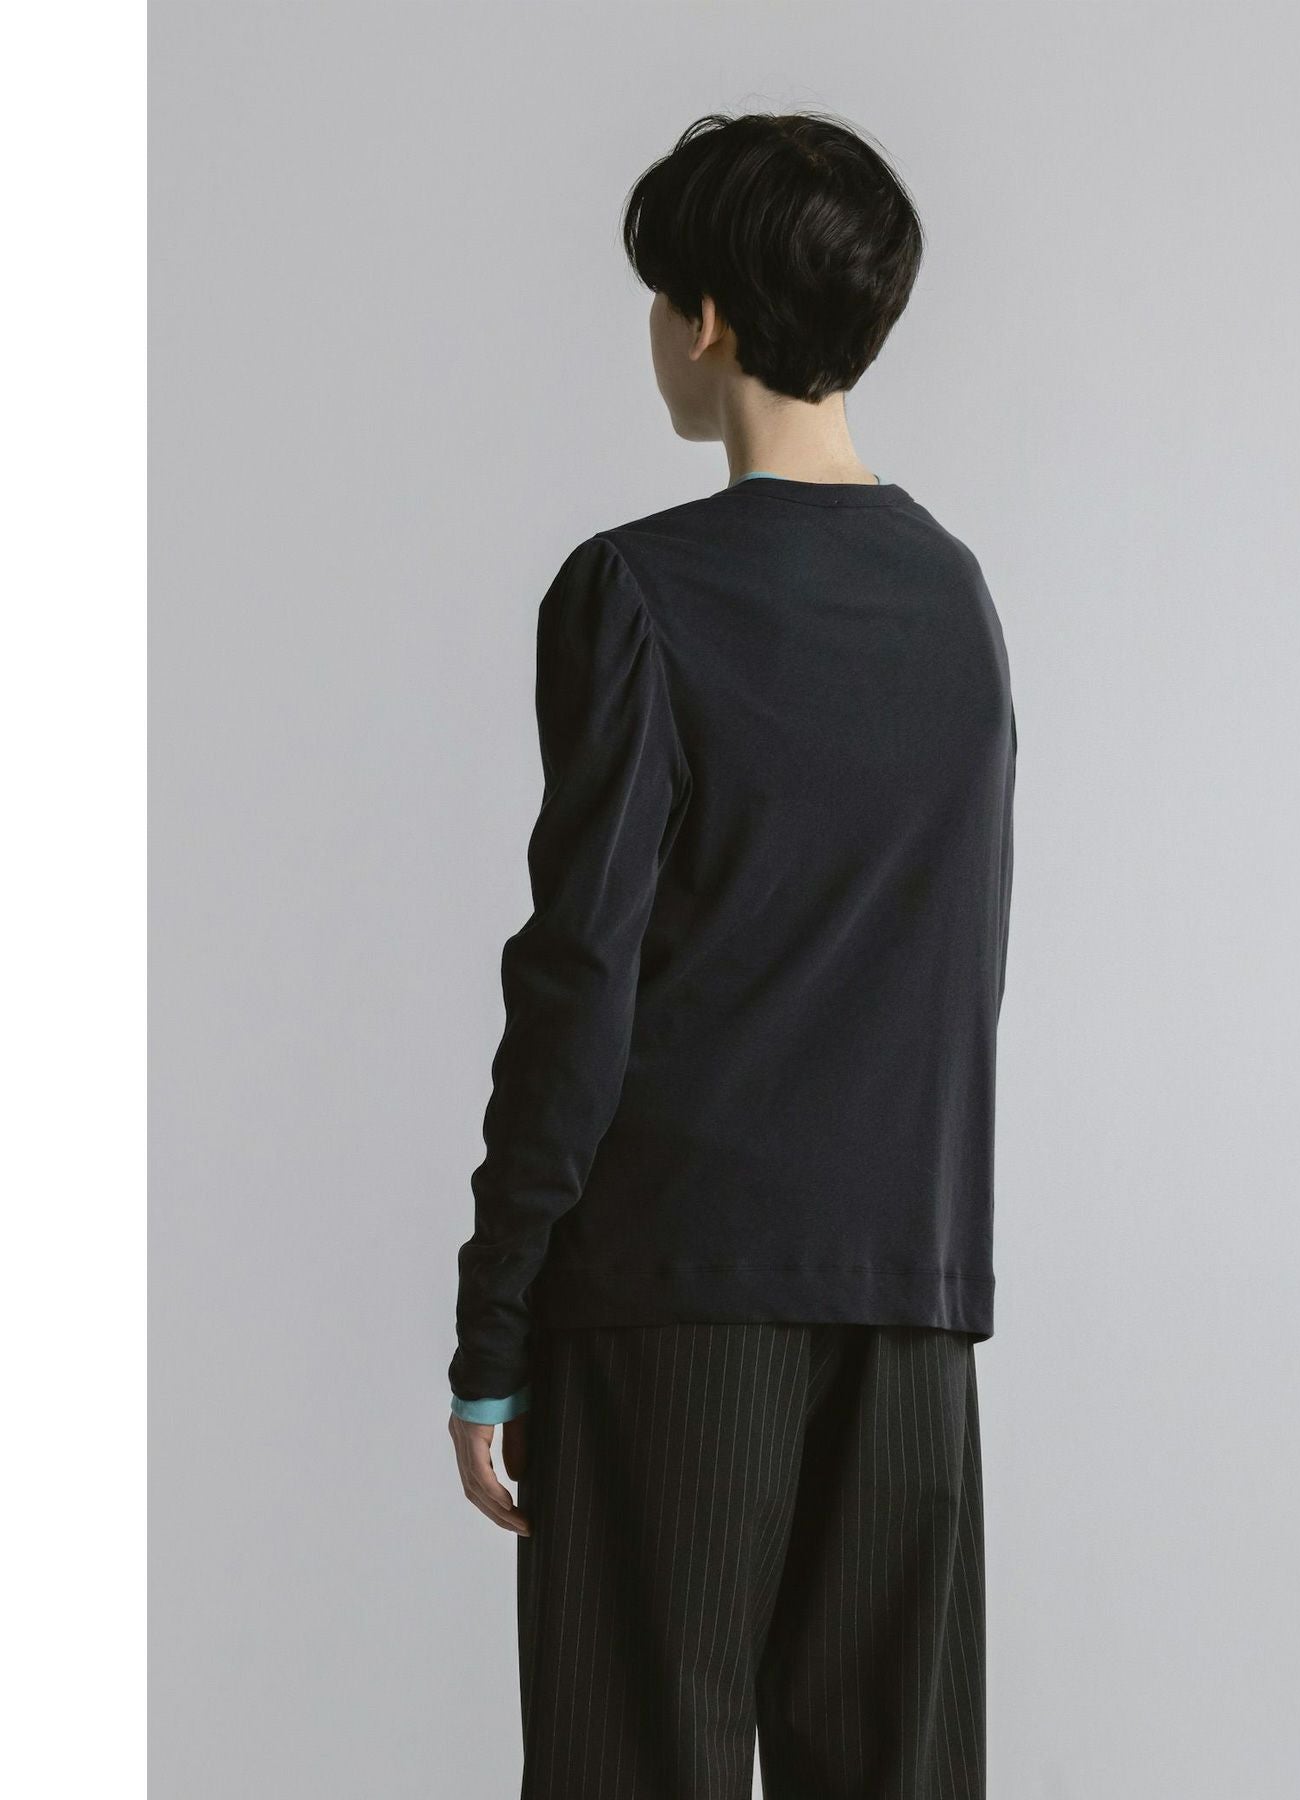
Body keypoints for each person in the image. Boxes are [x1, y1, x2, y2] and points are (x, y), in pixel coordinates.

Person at [447, 108, 1017, 1799]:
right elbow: (962, 970)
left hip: (669, 1302)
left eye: (658, 297)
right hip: (910, 1303)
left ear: (705, 320)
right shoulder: (957, 599)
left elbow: (579, 977)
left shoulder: (638, 593)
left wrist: (495, 1321)